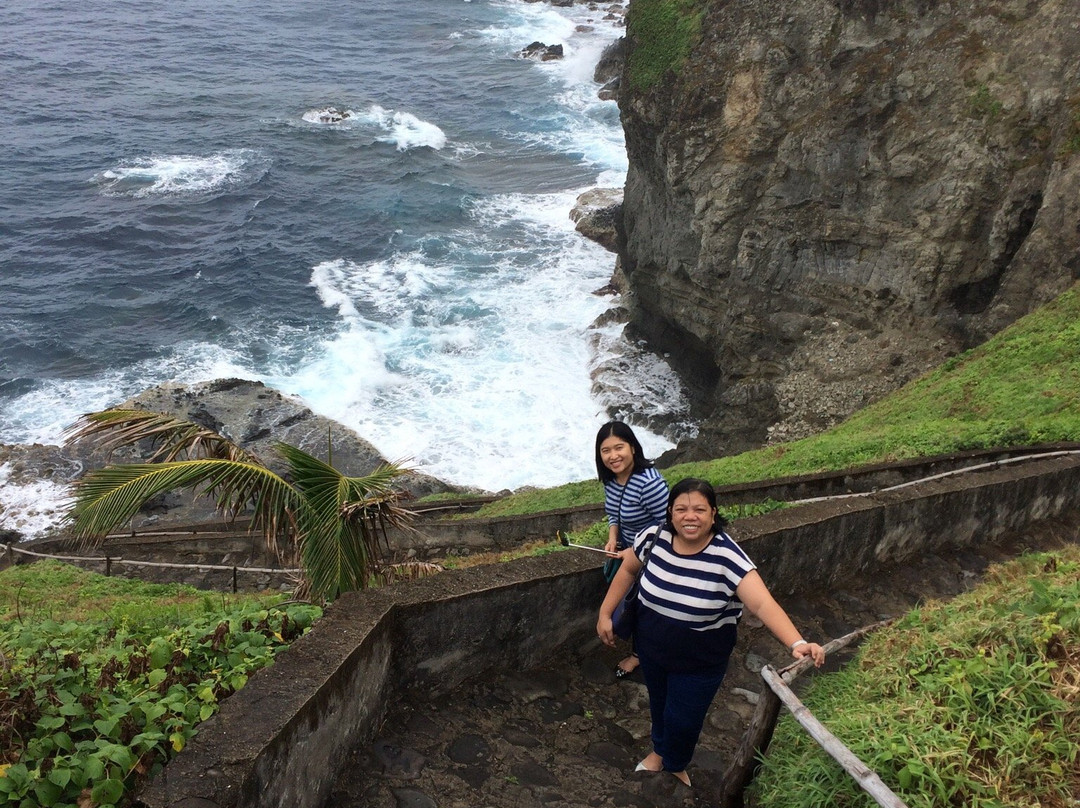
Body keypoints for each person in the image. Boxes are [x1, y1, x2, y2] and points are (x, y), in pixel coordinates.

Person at [596, 477, 826, 788]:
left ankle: (676, 764)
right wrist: (605, 612)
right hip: (652, 648)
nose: (689, 516)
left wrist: (796, 642)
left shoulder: (727, 557)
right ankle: (659, 751)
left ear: (713, 514)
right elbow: (627, 569)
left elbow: (761, 603)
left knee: (684, 718)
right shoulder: (653, 536)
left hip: (700, 660)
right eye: (681, 509)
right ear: (670, 512)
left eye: (699, 510)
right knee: (660, 705)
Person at [595, 421, 669, 679]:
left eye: (619, 448)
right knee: (630, 609)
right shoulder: (612, 480)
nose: (613, 456)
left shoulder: (649, 483)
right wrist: (613, 537)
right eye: (606, 450)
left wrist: (636, 552)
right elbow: (613, 512)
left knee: (642, 609)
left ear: (633, 448)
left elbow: (670, 527)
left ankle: (639, 656)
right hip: (629, 553)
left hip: (655, 555)